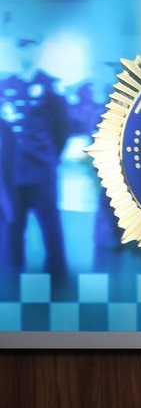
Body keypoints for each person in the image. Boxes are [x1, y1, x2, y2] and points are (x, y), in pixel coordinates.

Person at [0, 38, 69, 277]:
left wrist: (51, 157)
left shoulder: (51, 85)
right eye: (21, 48)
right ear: (15, 53)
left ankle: (57, 272)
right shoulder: (4, 85)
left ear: (37, 52)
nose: (25, 54)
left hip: (42, 169)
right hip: (12, 171)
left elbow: (63, 127)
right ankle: (13, 270)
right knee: (13, 223)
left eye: (30, 48)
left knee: (50, 224)